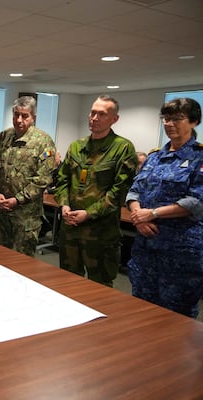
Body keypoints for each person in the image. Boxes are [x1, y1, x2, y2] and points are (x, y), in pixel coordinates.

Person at [126, 98, 203, 318]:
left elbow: (196, 202)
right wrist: (138, 215)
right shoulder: (154, 157)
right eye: (166, 119)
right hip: (146, 249)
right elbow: (134, 190)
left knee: (176, 315)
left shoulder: (199, 157)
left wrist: (152, 214)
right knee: (141, 307)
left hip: (180, 253)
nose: (169, 124)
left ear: (194, 122)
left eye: (177, 119)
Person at [55, 95, 137, 287]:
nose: (94, 118)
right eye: (92, 112)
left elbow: (118, 191)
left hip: (101, 233)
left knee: (99, 287)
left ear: (114, 119)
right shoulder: (77, 146)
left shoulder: (122, 148)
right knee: (67, 283)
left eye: (102, 114)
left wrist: (88, 214)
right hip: (71, 229)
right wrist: (64, 204)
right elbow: (62, 179)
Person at [0, 96, 56, 257]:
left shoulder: (43, 142)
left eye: (25, 116)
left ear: (33, 118)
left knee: (21, 263)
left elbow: (42, 179)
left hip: (25, 217)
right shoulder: (3, 138)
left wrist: (17, 199)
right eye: (16, 115)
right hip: (0, 212)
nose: (19, 120)